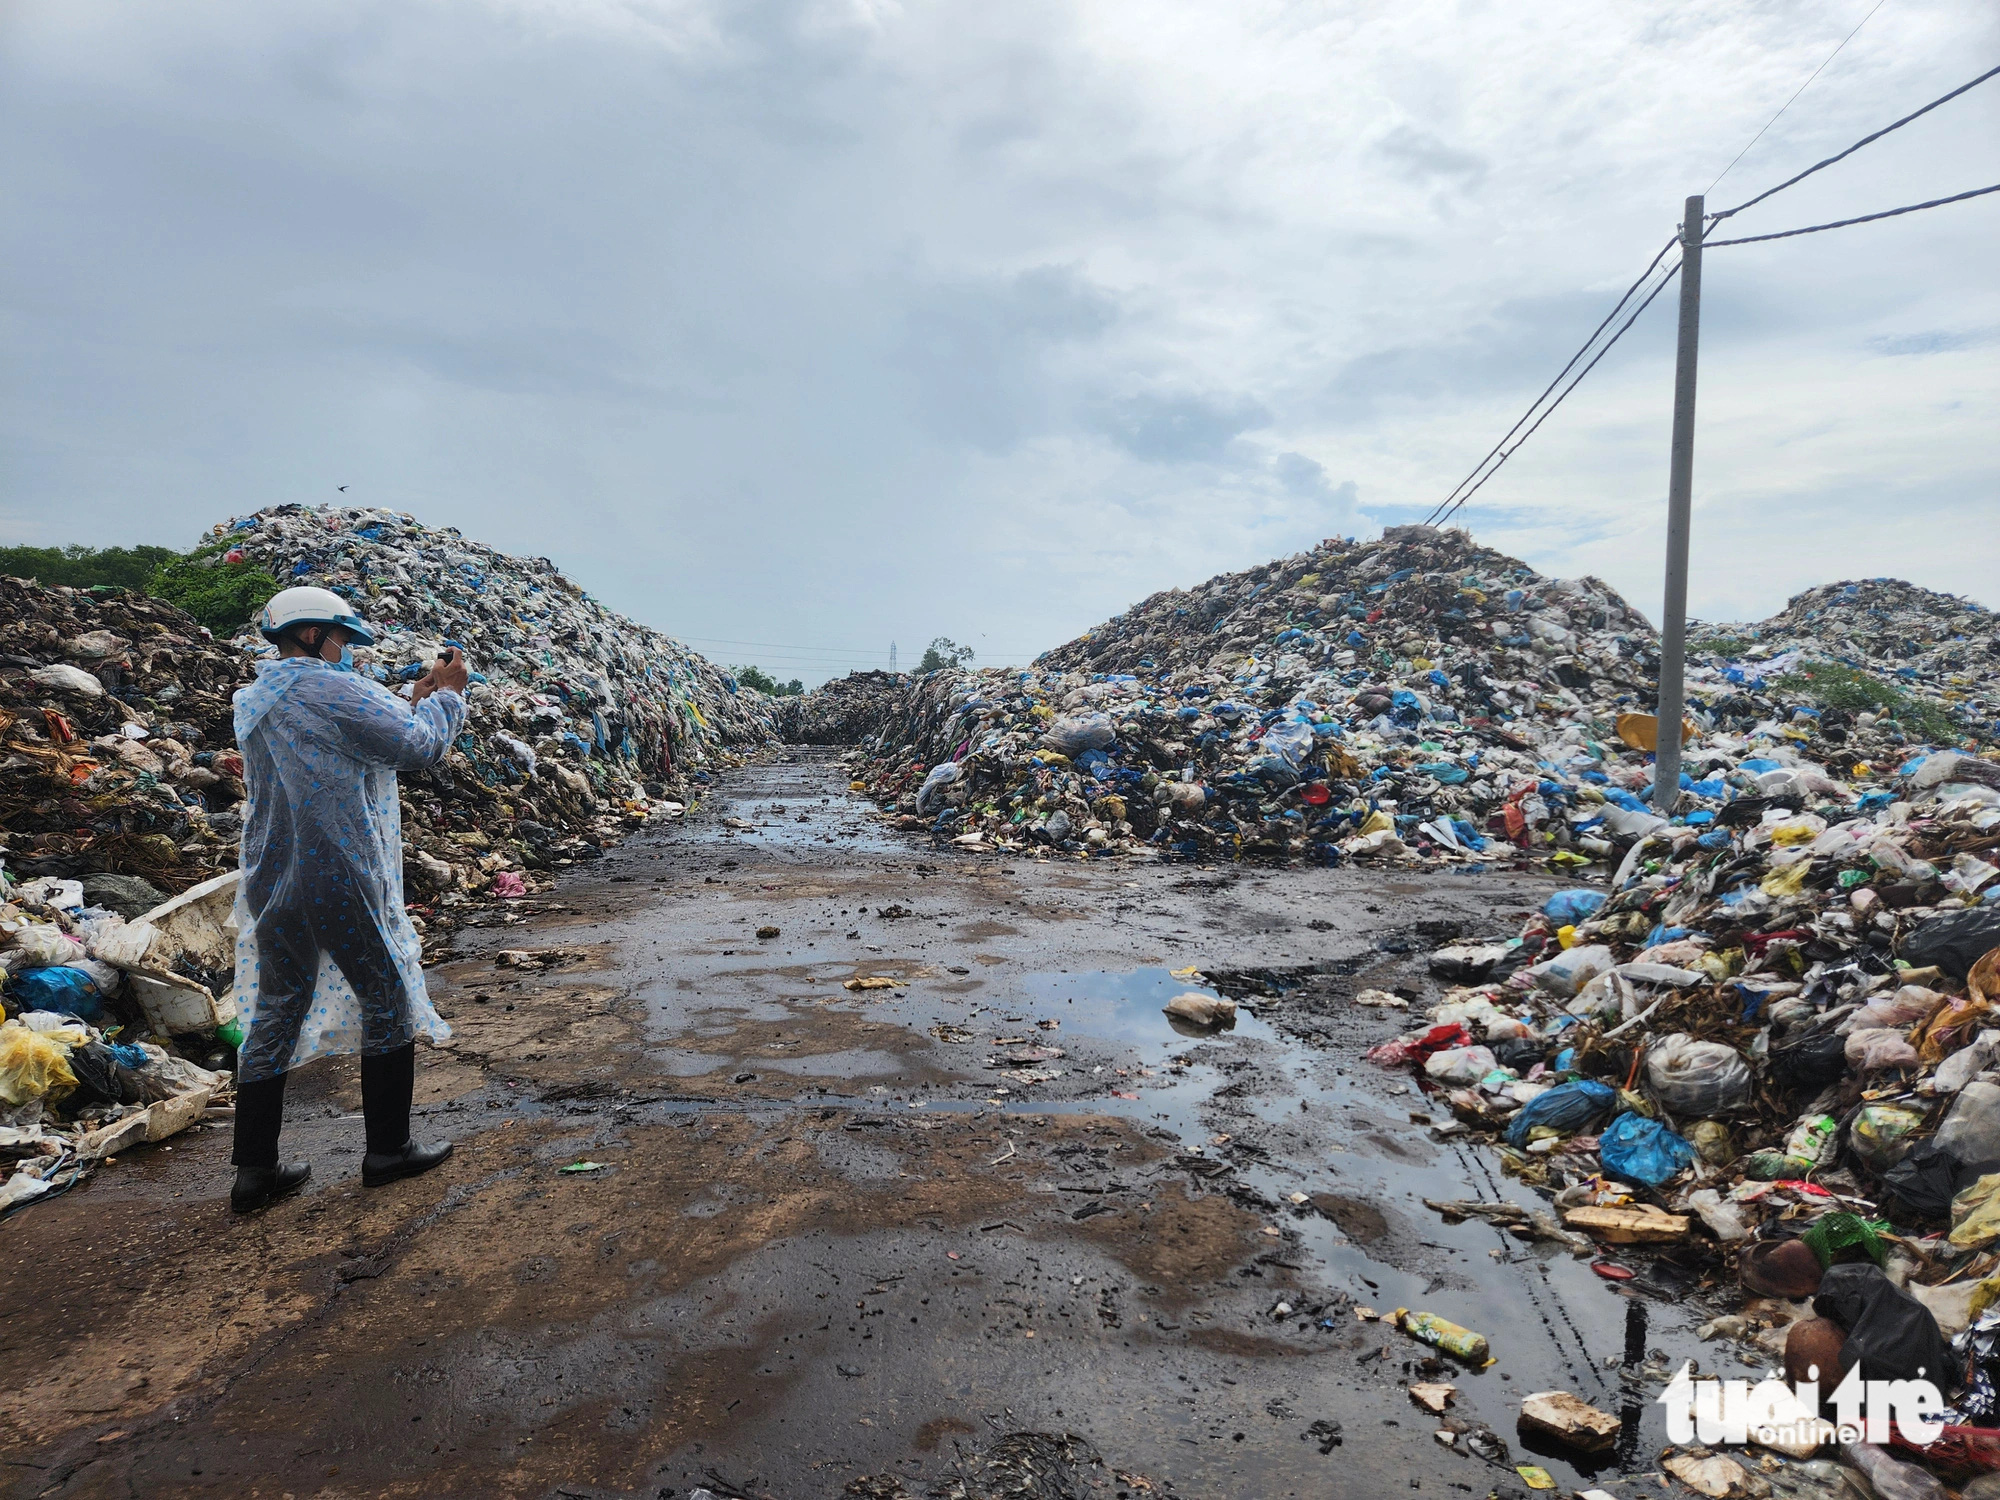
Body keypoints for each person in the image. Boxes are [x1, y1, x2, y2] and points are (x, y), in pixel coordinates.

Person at [226, 585, 471, 1213]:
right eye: (340, 639)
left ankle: (255, 1172)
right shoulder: (329, 687)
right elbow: (418, 748)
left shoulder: (258, 697)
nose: (346, 652)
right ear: (312, 635)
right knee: (386, 993)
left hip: (269, 874)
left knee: (277, 1006)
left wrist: (413, 701)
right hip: (334, 868)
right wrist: (446, 696)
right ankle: (387, 1151)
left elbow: (358, 735)